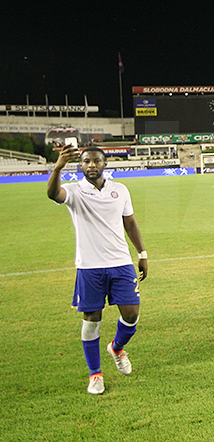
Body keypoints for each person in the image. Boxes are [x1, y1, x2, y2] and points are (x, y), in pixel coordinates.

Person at [47, 145, 148, 395]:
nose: (91, 165)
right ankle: (95, 374)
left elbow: (130, 222)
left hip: (121, 263)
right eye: (86, 162)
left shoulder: (120, 190)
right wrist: (58, 167)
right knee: (92, 321)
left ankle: (116, 347)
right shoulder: (73, 191)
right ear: (80, 166)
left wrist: (142, 253)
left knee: (132, 315)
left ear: (104, 164)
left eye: (96, 161)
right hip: (90, 267)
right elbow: (52, 194)